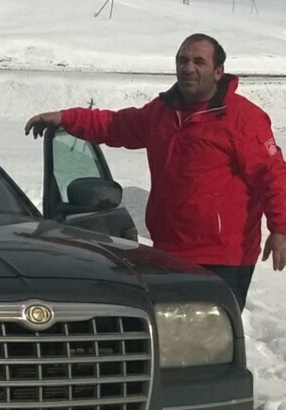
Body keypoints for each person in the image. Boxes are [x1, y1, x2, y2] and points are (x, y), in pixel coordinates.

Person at [24, 33, 286, 311]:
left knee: (211, 335)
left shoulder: (243, 118)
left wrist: (280, 229)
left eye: (199, 62)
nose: (189, 68)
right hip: (168, 252)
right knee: (169, 332)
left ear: (218, 71)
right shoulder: (162, 112)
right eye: (183, 60)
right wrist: (66, 118)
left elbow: (272, 174)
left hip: (222, 258)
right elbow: (115, 125)